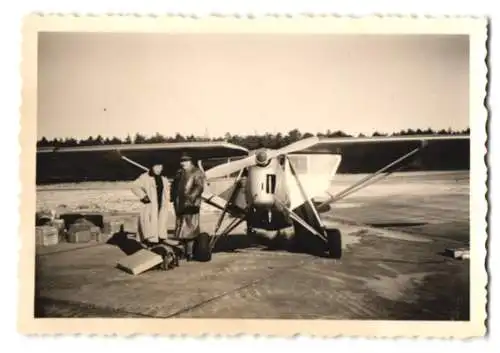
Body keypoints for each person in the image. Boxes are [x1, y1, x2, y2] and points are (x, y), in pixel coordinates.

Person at [170, 152, 206, 260]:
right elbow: (174, 185)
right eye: (182, 161)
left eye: (185, 161)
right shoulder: (179, 172)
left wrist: (191, 198)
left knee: (190, 229)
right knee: (181, 228)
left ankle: (190, 253)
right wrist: (172, 197)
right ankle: (183, 252)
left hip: (191, 205)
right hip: (179, 203)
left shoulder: (197, 172)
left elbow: (199, 187)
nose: (183, 163)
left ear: (190, 162)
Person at [131, 159, 170, 246]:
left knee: (160, 222)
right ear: (152, 167)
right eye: (156, 166)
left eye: (160, 167)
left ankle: (159, 239)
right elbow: (134, 186)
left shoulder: (164, 179)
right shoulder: (144, 177)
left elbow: (166, 191)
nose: (158, 169)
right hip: (150, 205)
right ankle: (150, 242)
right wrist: (143, 196)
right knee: (149, 224)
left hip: (161, 204)